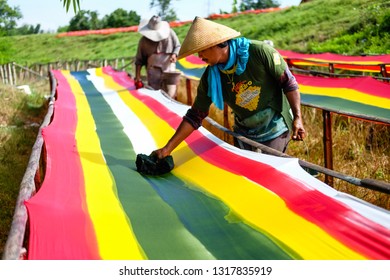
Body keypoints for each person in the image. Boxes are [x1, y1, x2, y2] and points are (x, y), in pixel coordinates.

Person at [152, 16, 305, 161]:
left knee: (269, 173)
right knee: (246, 174)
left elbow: (289, 83)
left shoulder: (259, 52)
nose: (200, 55)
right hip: (244, 130)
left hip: (274, 126)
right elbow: (195, 116)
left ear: (218, 44)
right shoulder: (211, 77)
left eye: (202, 49)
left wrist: (297, 117)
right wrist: (167, 149)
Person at [134, 15, 181, 97]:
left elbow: (177, 46)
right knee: (155, 95)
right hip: (153, 72)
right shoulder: (144, 41)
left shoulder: (171, 33)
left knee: (170, 95)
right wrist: (138, 77)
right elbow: (139, 60)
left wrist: (174, 54)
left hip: (169, 69)